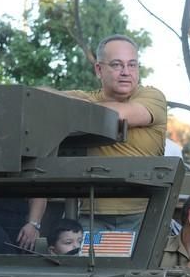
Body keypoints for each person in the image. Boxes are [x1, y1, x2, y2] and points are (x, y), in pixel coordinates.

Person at [64, 34, 167, 232]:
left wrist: (79, 110)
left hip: (144, 213)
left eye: (132, 65)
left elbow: (119, 115)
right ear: (99, 69)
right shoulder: (87, 99)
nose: (126, 72)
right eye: (117, 65)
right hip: (92, 215)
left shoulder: (152, 97)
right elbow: (39, 98)